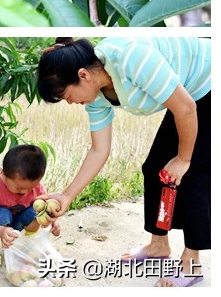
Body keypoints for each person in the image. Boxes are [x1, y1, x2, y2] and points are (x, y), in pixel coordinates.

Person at [38, 37, 210, 288]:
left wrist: (184, 159)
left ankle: (191, 263)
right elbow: (99, 150)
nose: (71, 102)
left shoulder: (132, 58)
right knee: (155, 169)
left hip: (209, 83)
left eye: (67, 96)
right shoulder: (95, 97)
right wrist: (66, 195)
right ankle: (159, 245)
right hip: (188, 98)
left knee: (193, 175)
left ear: (83, 75)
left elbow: (185, 108)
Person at [0, 144, 61, 268]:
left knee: (35, 211)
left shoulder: (36, 187)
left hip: (16, 223)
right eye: (19, 188)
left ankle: (31, 244)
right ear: (3, 174)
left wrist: (52, 223)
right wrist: (1, 231)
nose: (25, 192)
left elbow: (45, 210)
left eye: (31, 188)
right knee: (3, 214)